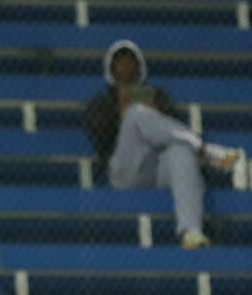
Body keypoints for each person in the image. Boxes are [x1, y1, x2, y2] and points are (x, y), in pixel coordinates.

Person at [83, 39, 242, 249]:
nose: (126, 67)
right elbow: (99, 140)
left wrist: (157, 110)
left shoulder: (157, 96)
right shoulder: (101, 102)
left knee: (181, 150)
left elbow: (173, 129)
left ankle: (191, 231)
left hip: (157, 168)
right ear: (111, 69)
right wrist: (119, 114)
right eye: (120, 63)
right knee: (134, 114)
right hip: (125, 172)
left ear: (140, 68)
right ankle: (205, 150)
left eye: (131, 62)